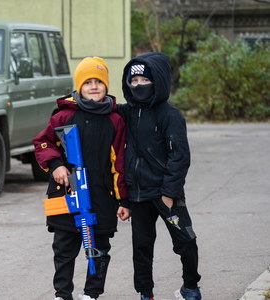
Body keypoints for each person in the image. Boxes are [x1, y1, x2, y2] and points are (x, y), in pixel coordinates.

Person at [33, 57, 130, 300]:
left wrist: (123, 200)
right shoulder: (63, 116)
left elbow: (119, 163)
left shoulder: (115, 120)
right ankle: (62, 293)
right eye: (88, 82)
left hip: (101, 197)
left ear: (106, 86)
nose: (94, 87)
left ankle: (92, 293)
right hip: (65, 194)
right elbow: (43, 143)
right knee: (64, 248)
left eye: (99, 82)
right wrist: (55, 165)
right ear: (79, 87)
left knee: (98, 249)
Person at [115, 52, 202, 300]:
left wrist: (168, 193)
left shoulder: (170, 115)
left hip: (165, 193)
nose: (139, 85)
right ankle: (146, 294)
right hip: (138, 196)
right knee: (141, 249)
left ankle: (191, 287)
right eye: (134, 81)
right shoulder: (126, 113)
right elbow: (99, 107)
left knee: (186, 241)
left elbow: (180, 157)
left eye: (145, 79)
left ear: (158, 81)